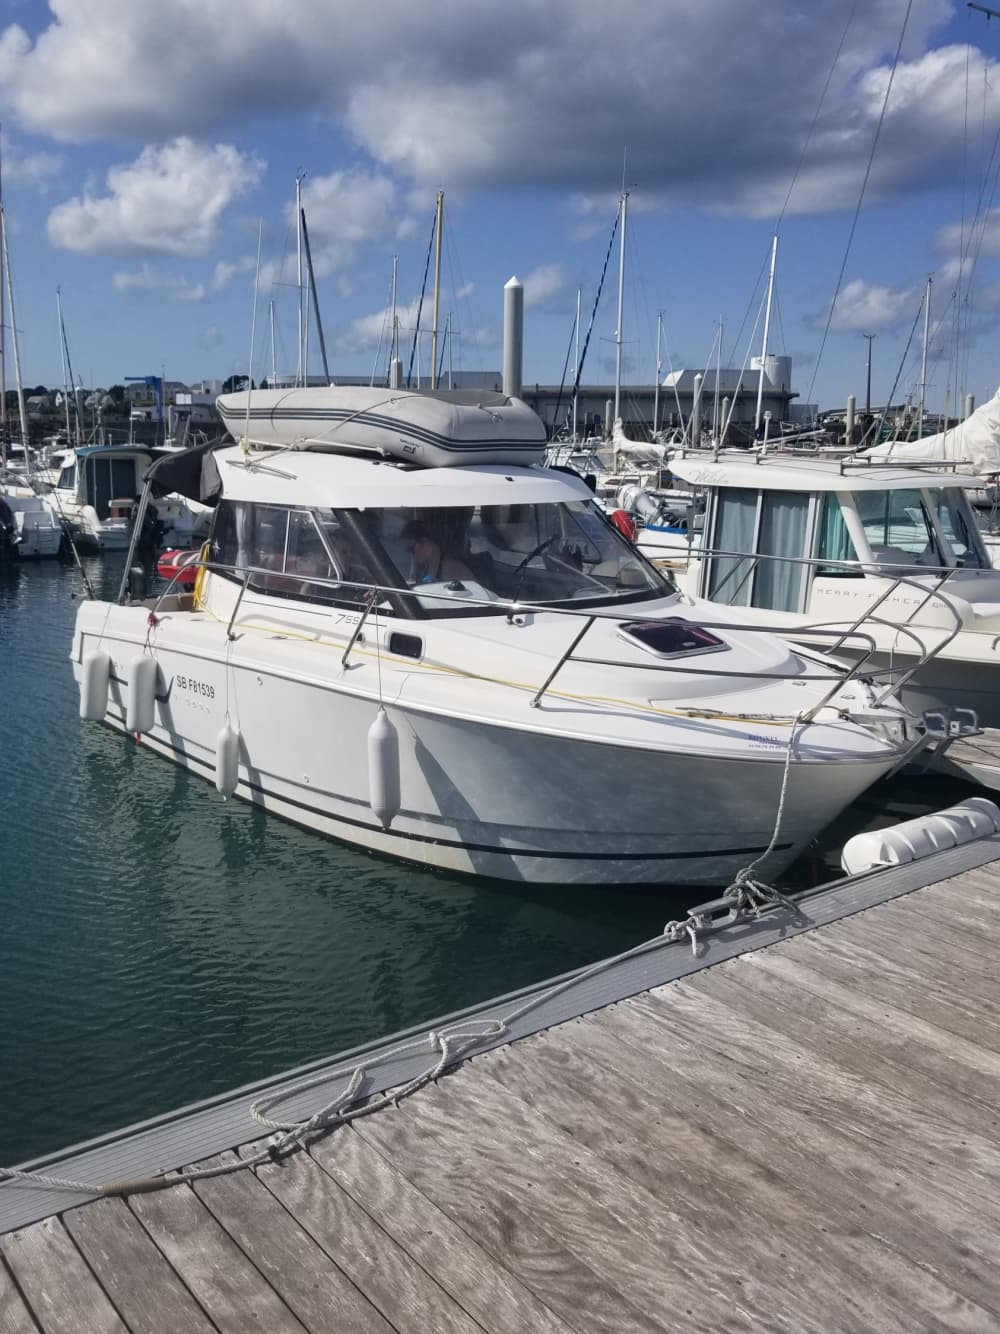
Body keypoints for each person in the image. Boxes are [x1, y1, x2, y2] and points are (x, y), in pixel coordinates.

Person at [400, 518, 473, 584]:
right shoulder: (426, 566)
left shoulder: (451, 569)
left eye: (411, 549)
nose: (412, 555)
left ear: (425, 542)